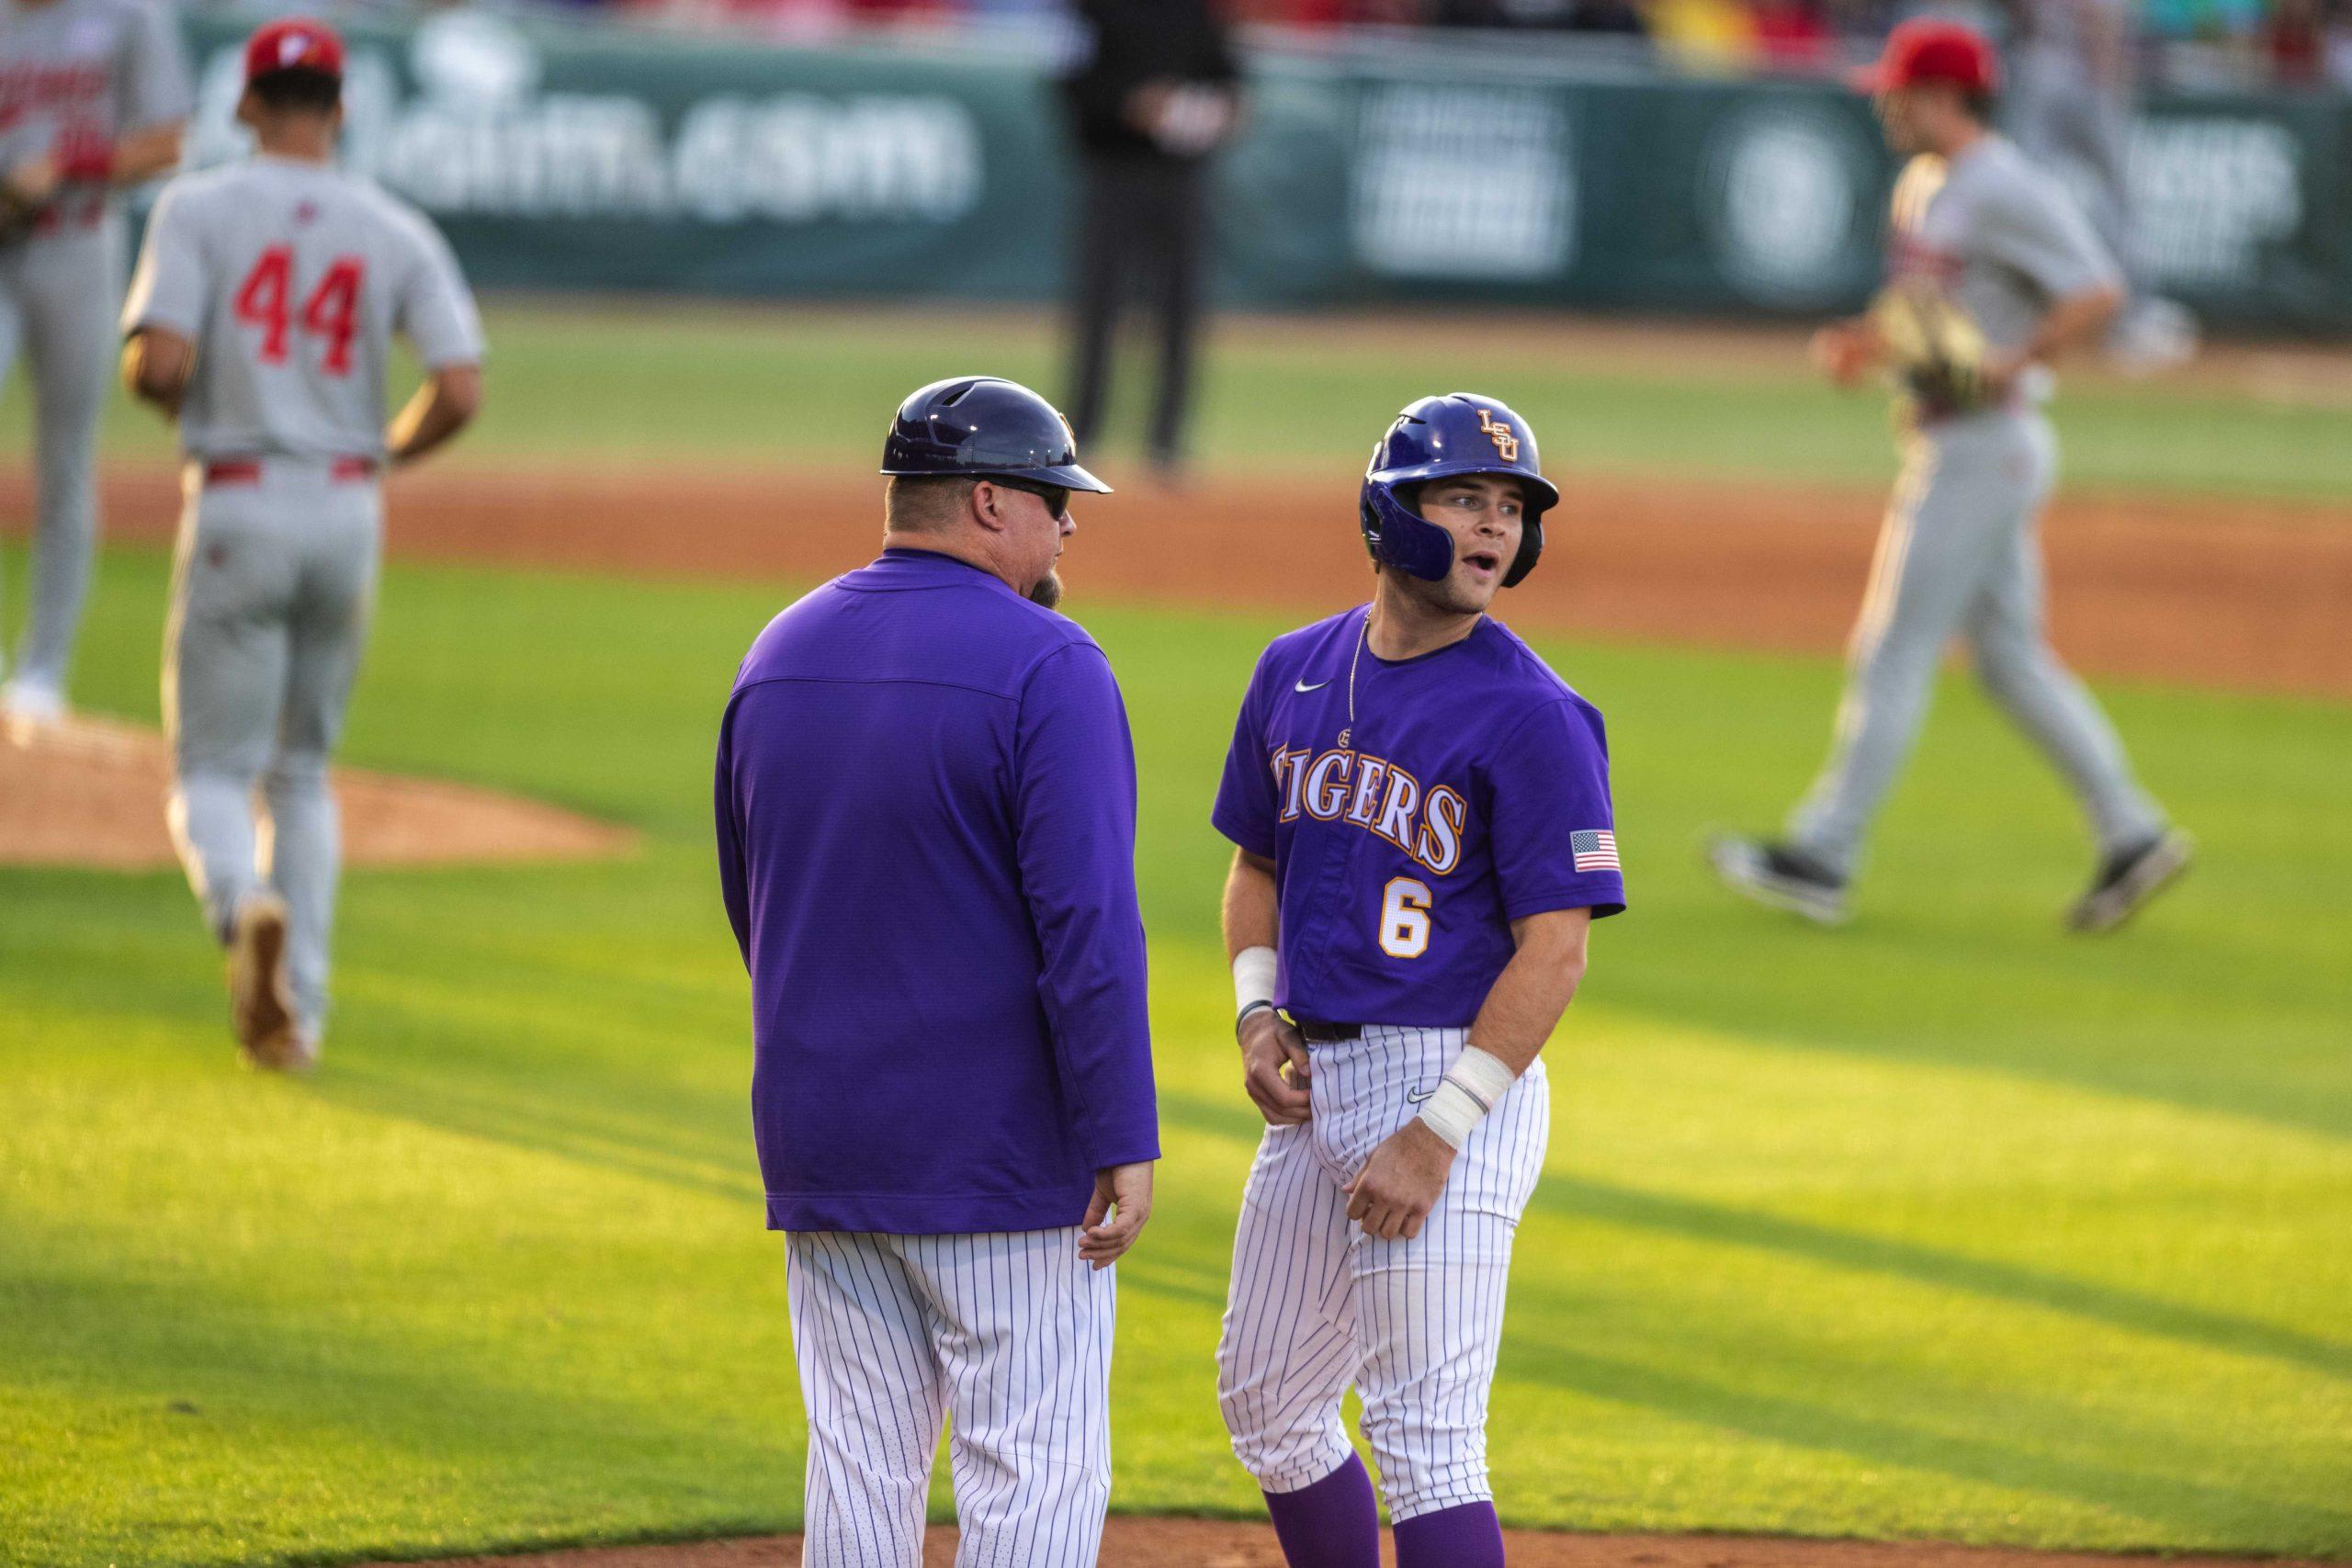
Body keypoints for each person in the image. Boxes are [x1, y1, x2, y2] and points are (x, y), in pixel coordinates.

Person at [714, 377, 1158, 1567]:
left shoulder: (780, 649)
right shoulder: (1051, 664)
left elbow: (751, 897)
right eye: (1056, 500)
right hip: (1002, 1157)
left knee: (860, 1459)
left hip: (822, 1138)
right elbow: (1090, 928)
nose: (1070, 525)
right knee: (1034, 1462)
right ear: (990, 500)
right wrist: (1121, 1129)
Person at [1209, 393, 1624, 1568]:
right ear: (1391, 514)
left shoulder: (1536, 715)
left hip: (1452, 1080)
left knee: (1425, 1439)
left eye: (1510, 509)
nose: (1493, 529)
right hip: (1314, 1079)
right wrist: (1252, 1013)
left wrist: (1437, 1133)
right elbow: (1255, 865)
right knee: (1269, 1406)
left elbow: (1558, 948)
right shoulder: (1293, 669)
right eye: (1463, 499)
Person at [1708, 18, 2189, 934]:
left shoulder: (2003, 183)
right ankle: (2131, 832)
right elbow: (1929, 318)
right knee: (2010, 664)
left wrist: (2022, 358)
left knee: (1892, 649)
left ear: (1940, 97)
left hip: (1987, 443)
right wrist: (1870, 346)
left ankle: (1823, 853)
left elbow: (2098, 288)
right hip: (1954, 436)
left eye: (1896, 90)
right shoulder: (1923, 184)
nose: (1884, 104)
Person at [119, 17, 485, 1070]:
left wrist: (220, 402)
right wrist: (385, 452)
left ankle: (245, 913)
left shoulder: (198, 207)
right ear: (340, 107)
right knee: (302, 772)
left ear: (242, 104)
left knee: (208, 769)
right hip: (345, 504)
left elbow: (154, 365)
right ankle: (302, 1018)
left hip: (239, 492)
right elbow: (459, 387)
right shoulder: (392, 225)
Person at [0, 0, 190, 732]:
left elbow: (167, 141)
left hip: (78, 244)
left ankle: (42, 673)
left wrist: (66, 166)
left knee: (65, 462)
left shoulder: (128, 14)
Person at [1059, 0, 1240, 481]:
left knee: (1179, 310)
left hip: (1180, 176)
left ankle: (1166, 443)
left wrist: (1219, 110)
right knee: (1100, 309)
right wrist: (1128, 105)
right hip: (1114, 169)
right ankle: (1079, 438)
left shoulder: (1195, 11)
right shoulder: (1096, 11)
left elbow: (1229, 78)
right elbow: (1069, 86)